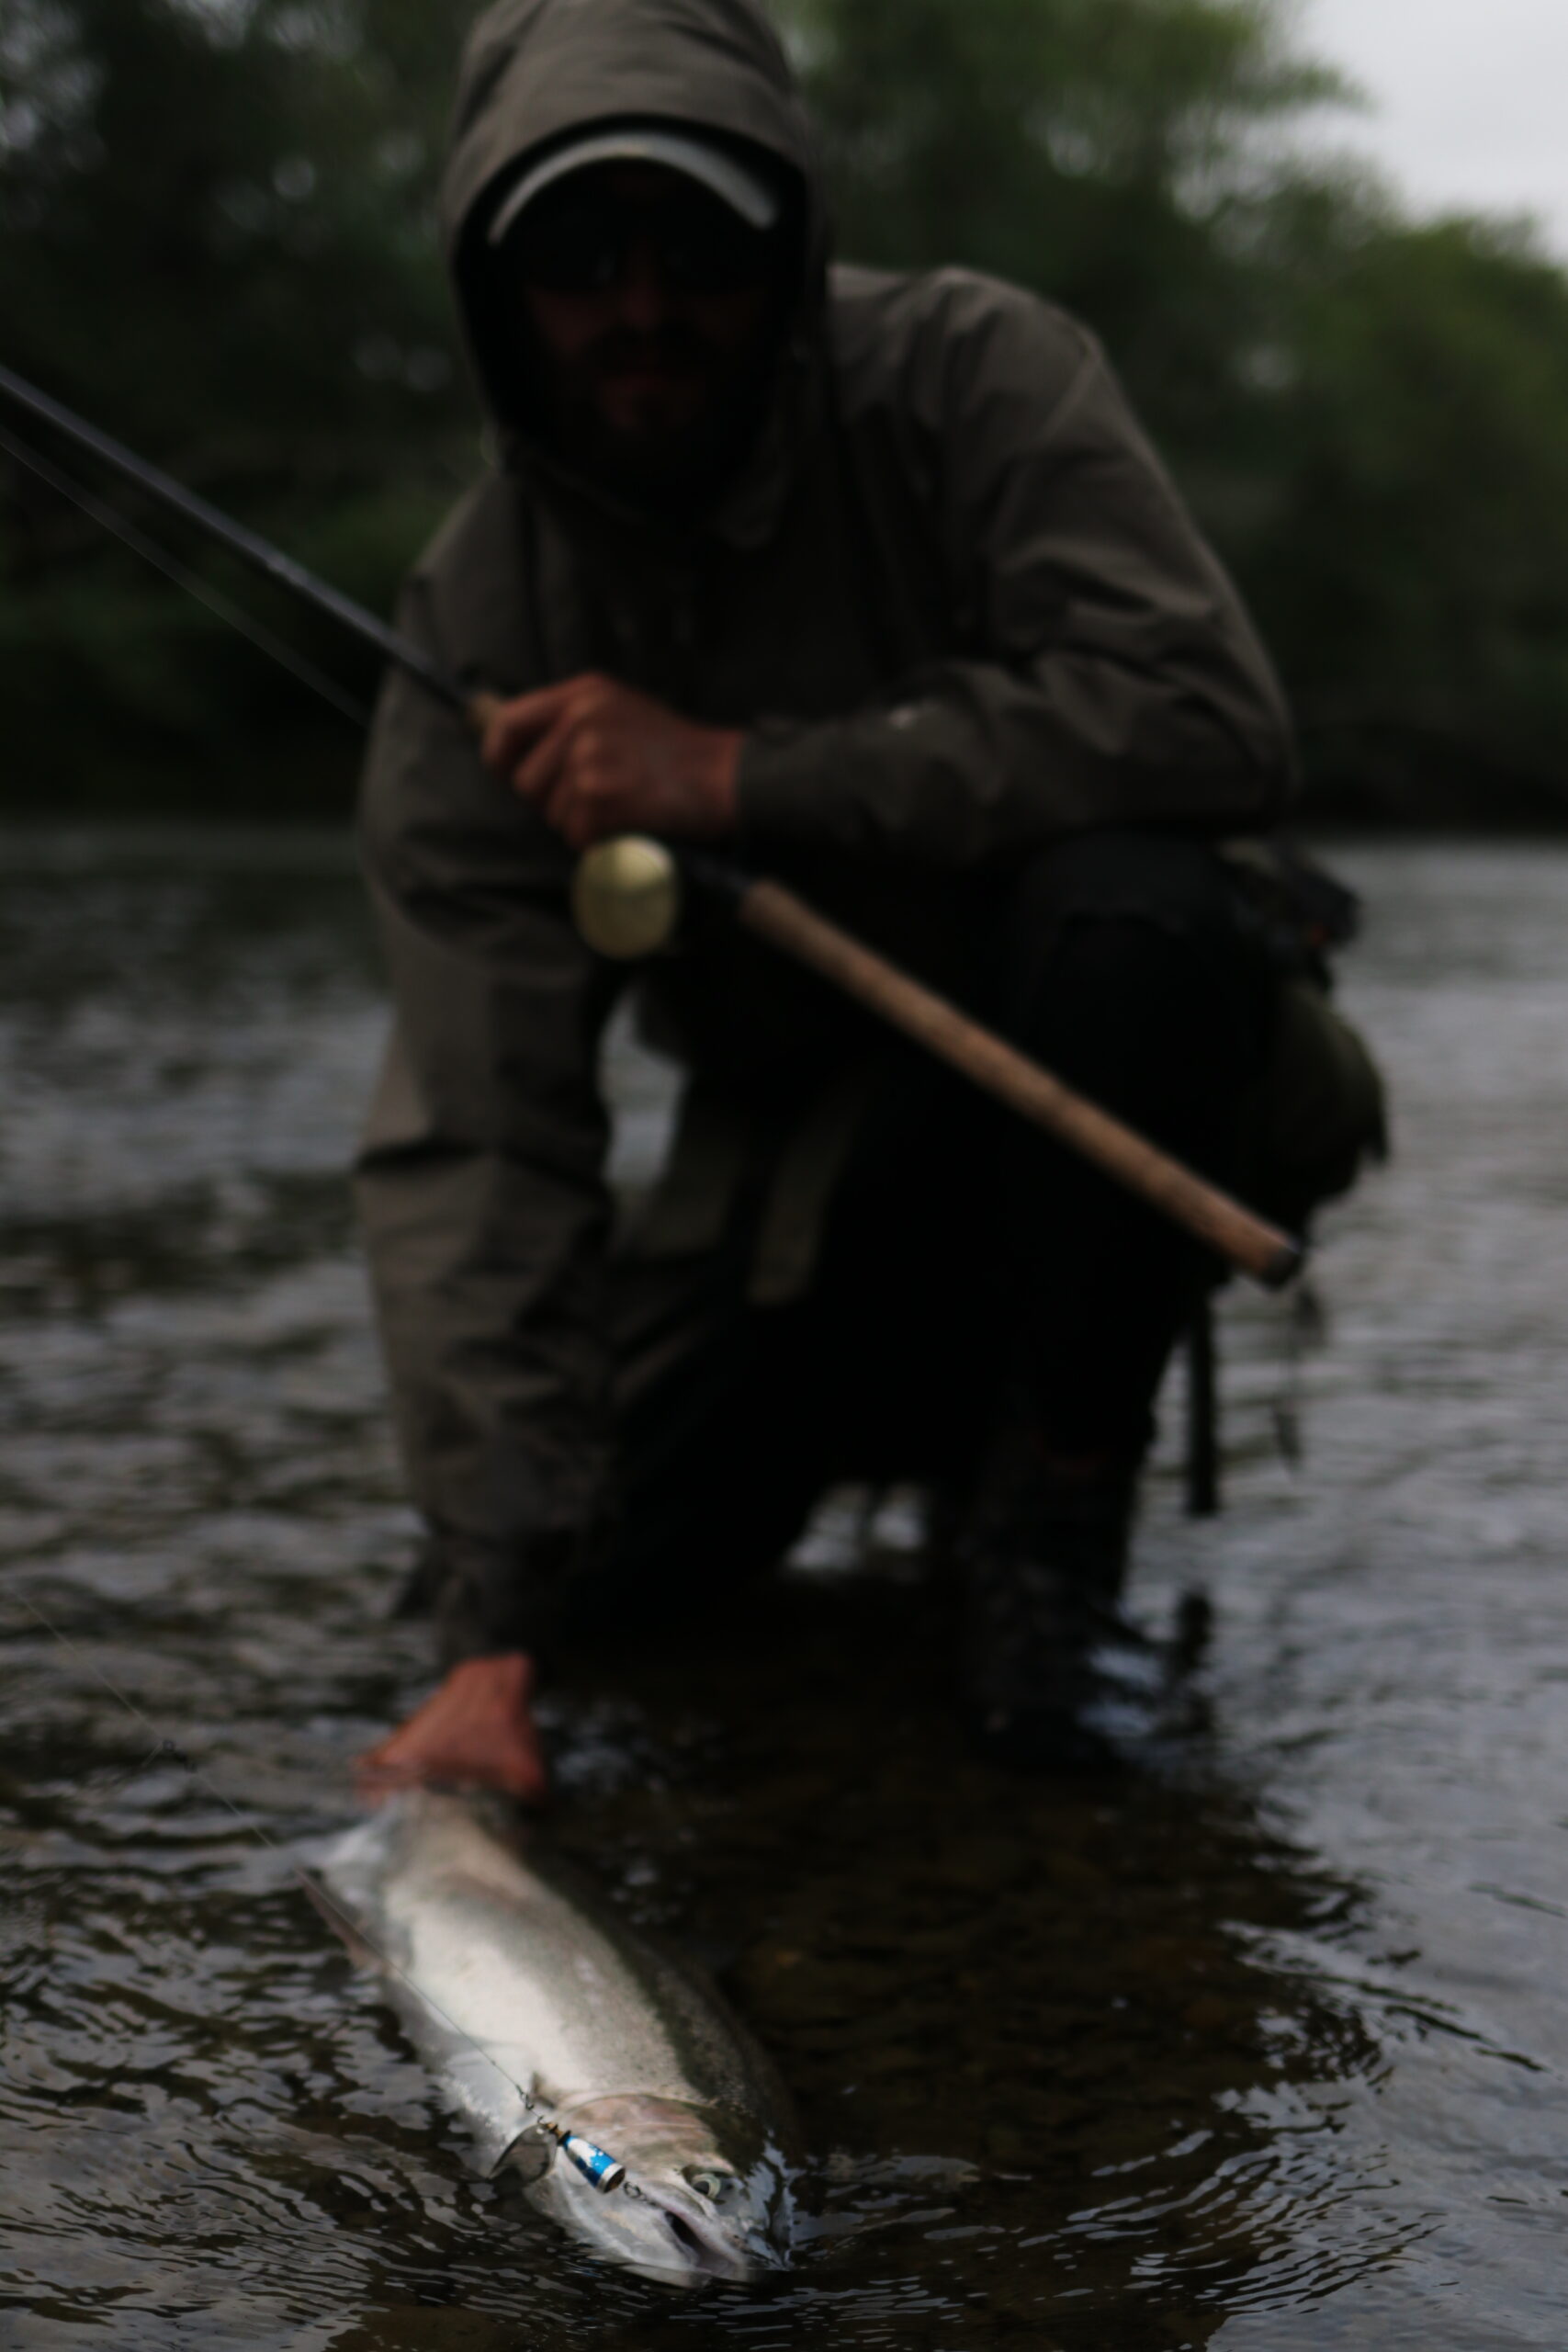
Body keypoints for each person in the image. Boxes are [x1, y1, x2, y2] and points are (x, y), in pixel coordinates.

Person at [354, 0, 1383, 1800]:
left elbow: (1208, 716)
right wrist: (489, 1623)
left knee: (1127, 907)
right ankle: (777, 1491)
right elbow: (479, 1138)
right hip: (799, 1178)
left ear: (792, 239)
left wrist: (739, 775)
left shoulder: (973, 375)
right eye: (580, 251)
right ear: (494, 280)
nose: (645, 303)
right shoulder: (479, 618)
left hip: (1120, 1090)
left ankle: (1050, 1525)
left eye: (702, 241)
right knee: (565, 1596)